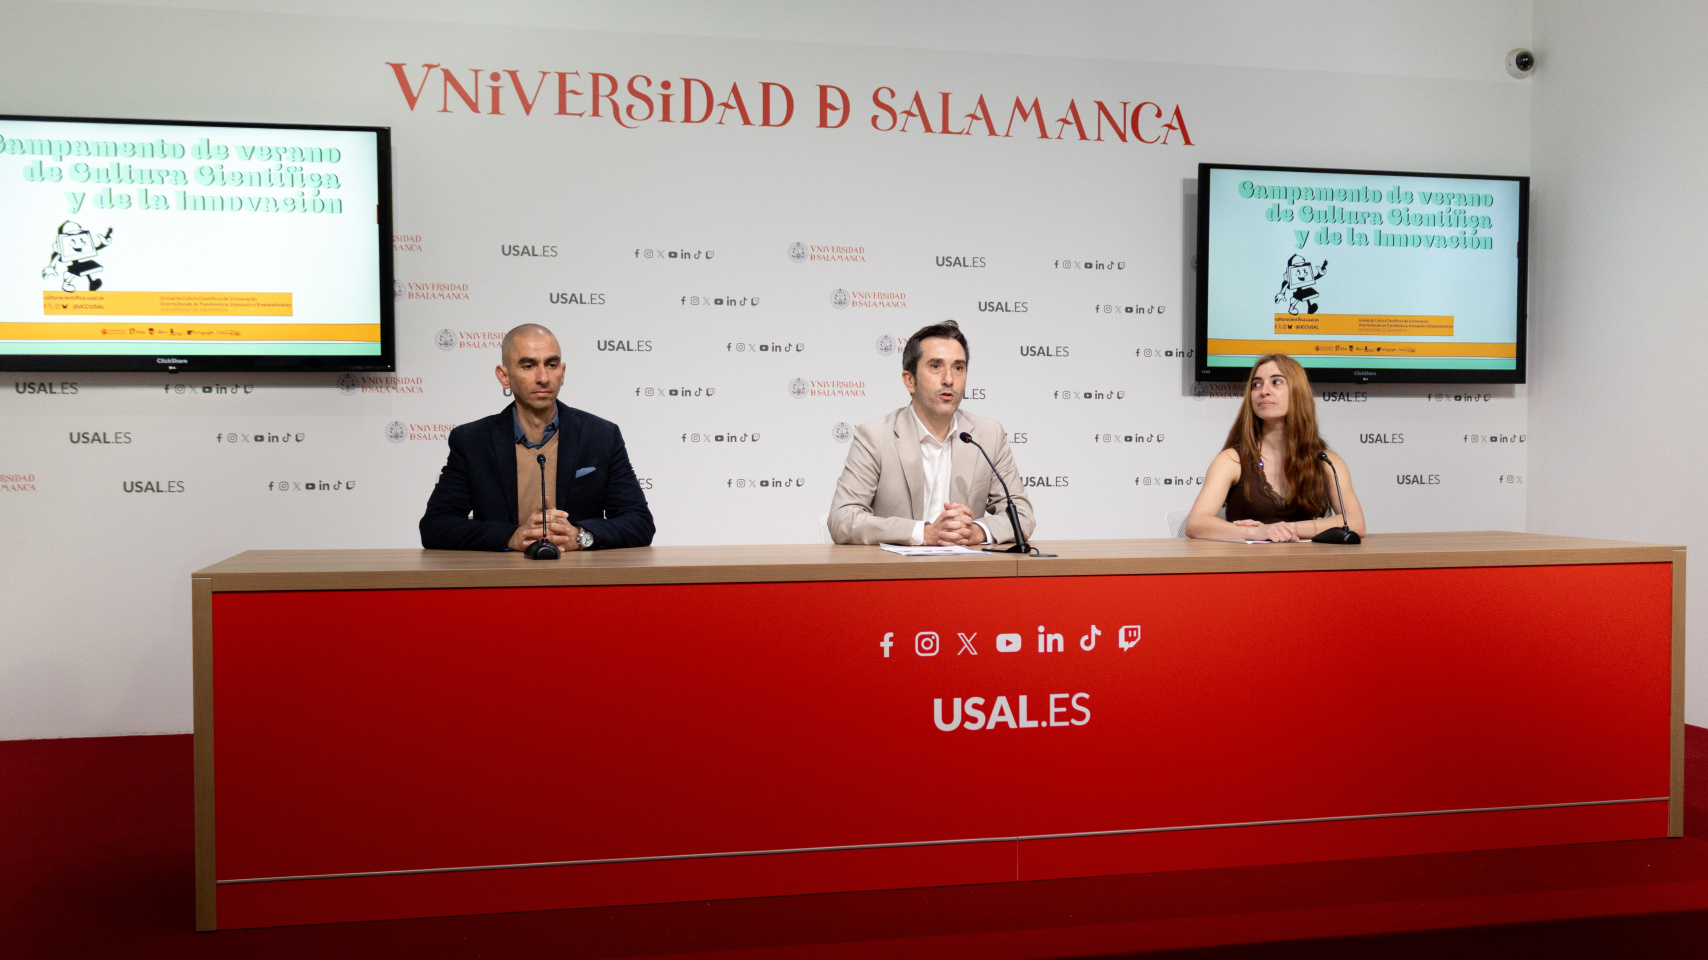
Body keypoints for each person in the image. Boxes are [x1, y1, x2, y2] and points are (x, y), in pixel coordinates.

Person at [420, 323, 654, 552]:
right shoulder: (472, 441)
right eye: (528, 366)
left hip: (580, 582)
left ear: (562, 374)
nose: (543, 377)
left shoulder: (601, 436)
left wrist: (581, 536)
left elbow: (639, 522)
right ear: (504, 376)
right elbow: (436, 526)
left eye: (551, 365)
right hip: (501, 581)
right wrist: (511, 537)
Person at [829, 320, 1034, 546]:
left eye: (958, 367)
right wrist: (923, 533)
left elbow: (1022, 515)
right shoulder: (876, 437)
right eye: (936, 366)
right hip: (896, 575)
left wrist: (975, 532)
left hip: (965, 575)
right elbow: (842, 519)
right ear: (910, 381)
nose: (949, 379)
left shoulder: (987, 435)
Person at [1184, 353, 1366, 542]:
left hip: (1306, 566)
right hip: (1245, 566)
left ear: (1298, 391)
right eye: (1256, 384)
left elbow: (1355, 522)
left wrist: (1284, 530)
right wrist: (1255, 532)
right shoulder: (1232, 459)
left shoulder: (1326, 460)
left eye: (1276, 382)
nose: (1263, 391)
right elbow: (1197, 523)